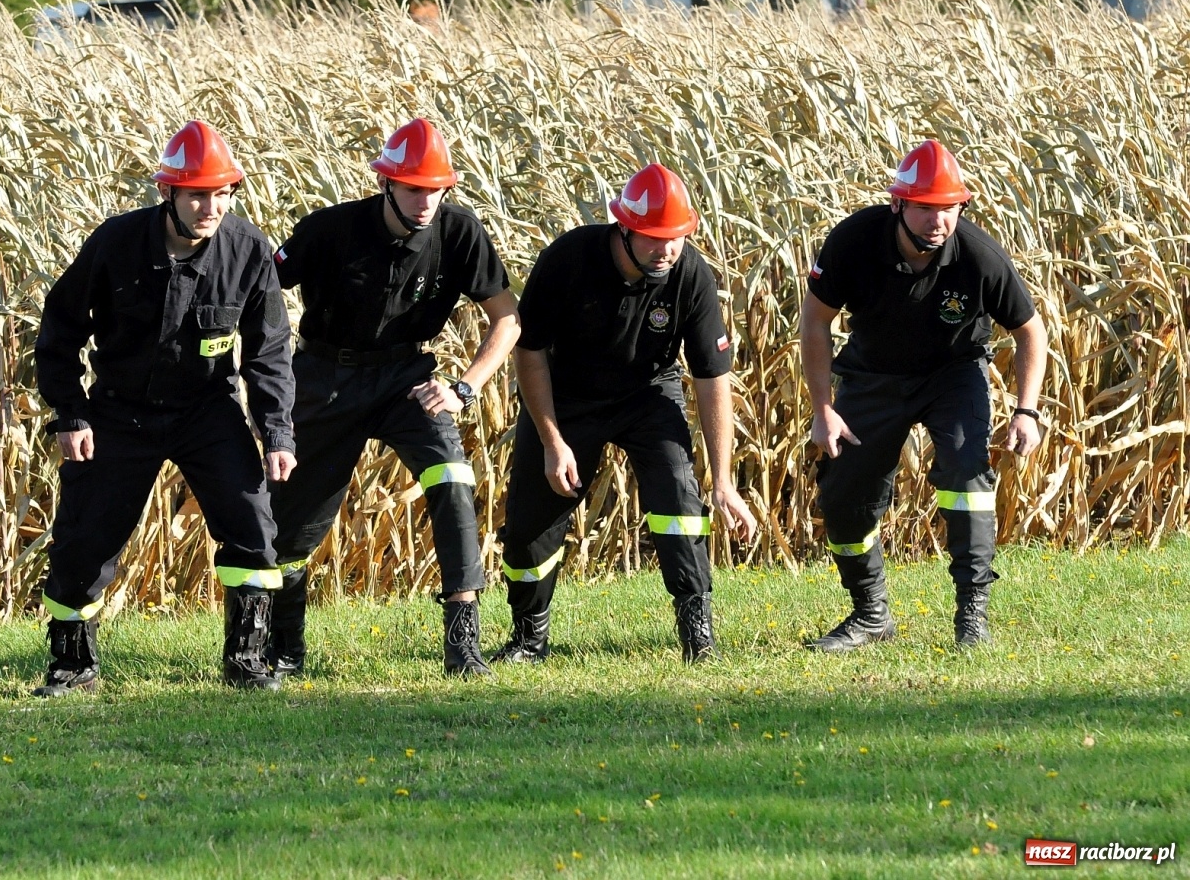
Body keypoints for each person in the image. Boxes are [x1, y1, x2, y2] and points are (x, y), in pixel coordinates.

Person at [33, 119, 296, 693]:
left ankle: (247, 661)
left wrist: (277, 433)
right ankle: (72, 666)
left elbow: (270, 350)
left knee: (251, 519)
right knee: (87, 536)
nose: (210, 206)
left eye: (222, 193)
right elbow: (59, 332)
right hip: (118, 411)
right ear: (167, 193)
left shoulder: (248, 250)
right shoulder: (115, 244)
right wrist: (71, 414)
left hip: (207, 409)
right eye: (198, 193)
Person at [268, 117, 520, 678]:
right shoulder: (329, 230)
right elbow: (256, 290)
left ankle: (464, 644)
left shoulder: (460, 233)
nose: (426, 201)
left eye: (436, 189)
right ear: (386, 183)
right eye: (413, 188)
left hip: (408, 378)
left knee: (453, 481)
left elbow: (507, 319)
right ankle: (285, 650)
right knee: (294, 524)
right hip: (325, 376)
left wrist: (464, 387)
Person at [493, 163, 756, 665]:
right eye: (655, 238)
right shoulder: (569, 260)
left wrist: (723, 481)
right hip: (567, 396)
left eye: (677, 237)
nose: (667, 250)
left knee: (680, 502)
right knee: (531, 522)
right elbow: (529, 353)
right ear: (625, 228)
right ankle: (529, 638)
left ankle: (698, 634)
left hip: (647, 396)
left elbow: (711, 377)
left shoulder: (690, 275)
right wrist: (551, 441)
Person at [800, 140, 1047, 651]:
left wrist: (1026, 410)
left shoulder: (978, 256)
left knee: (965, 475)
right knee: (844, 492)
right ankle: (870, 615)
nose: (939, 221)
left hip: (952, 376)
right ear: (898, 205)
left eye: (950, 209)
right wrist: (822, 408)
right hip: (872, 376)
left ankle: (971, 617)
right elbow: (816, 321)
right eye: (927, 208)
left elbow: (1031, 331)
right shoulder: (854, 242)